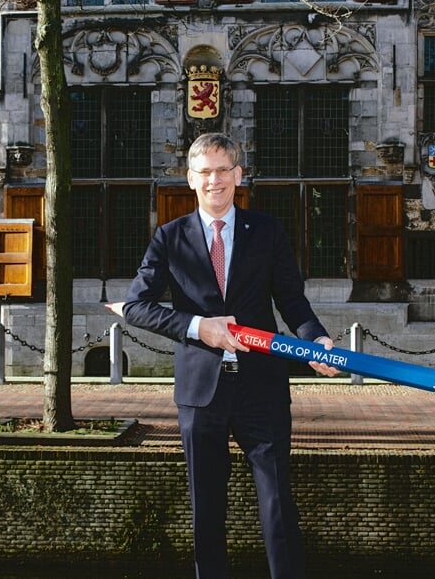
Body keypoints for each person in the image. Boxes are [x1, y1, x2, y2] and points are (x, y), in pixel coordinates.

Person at [117, 132, 336, 579]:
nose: (213, 180)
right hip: (201, 392)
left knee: (277, 504)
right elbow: (136, 306)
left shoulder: (269, 232)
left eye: (222, 170)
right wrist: (201, 328)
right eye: (204, 172)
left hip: (263, 387)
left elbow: (293, 302)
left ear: (238, 175)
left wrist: (316, 339)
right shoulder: (168, 237)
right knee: (206, 509)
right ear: (190, 179)